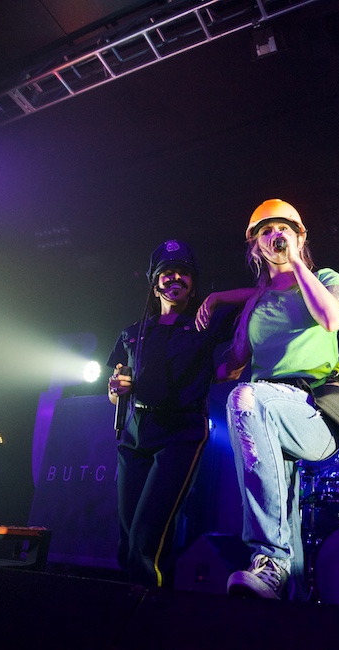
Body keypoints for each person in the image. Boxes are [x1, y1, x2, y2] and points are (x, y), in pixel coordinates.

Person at [205, 198, 339, 600]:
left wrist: (297, 264)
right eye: (266, 231)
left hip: (313, 409)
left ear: (300, 236)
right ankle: (290, 598)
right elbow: (230, 368)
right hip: (264, 413)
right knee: (285, 509)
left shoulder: (324, 278)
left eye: (284, 228)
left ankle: (269, 556)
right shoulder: (255, 304)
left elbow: (331, 319)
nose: (276, 235)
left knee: (245, 397)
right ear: (256, 246)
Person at [106, 240, 238, 589]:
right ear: (154, 283)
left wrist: (218, 298)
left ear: (194, 282)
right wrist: (115, 389)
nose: (175, 278)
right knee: (127, 536)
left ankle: (149, 613)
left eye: (183, 273)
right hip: (135, 433)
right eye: (166, 273)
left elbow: (258, 296)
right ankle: (134, 609)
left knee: (148, 537)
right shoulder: (132, 333)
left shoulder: (204, 324)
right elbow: (116, 387)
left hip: (180, 434)